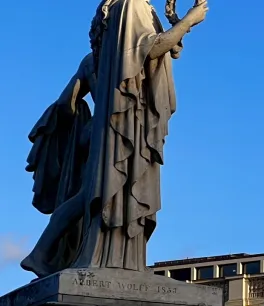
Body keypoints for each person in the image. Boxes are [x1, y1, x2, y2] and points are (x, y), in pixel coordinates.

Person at [21, 0, 208, 277]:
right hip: (124, 127)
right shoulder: (131, 5)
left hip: (107, 128)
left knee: (89, 195)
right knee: (106, 192)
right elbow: (152, 48)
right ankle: (92, 258)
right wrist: (190, 20)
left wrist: (85, 124)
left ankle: (40, 254)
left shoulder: (97, 50)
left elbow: (65, 102)